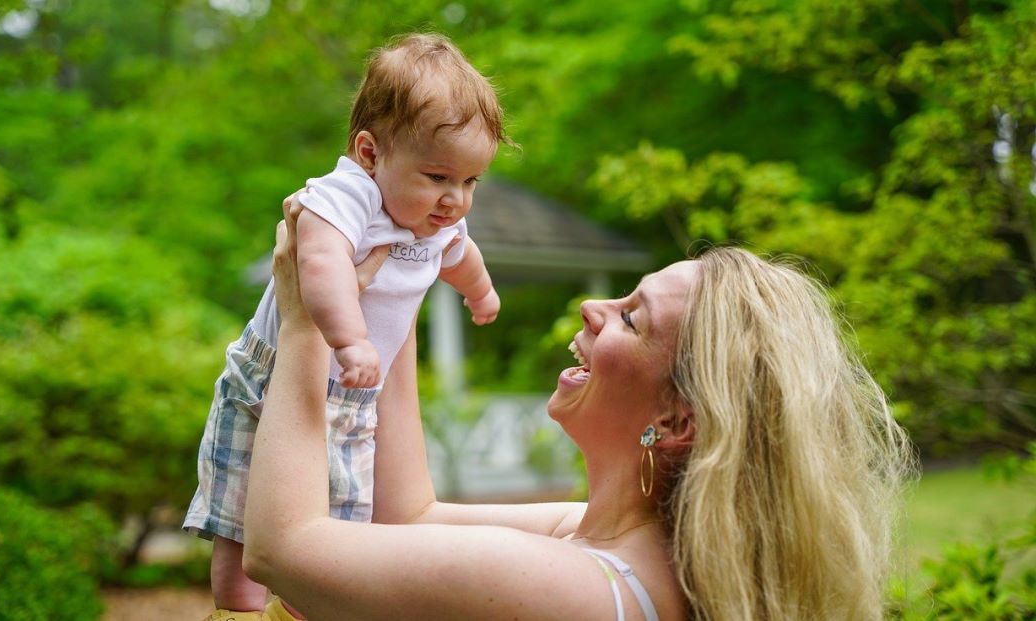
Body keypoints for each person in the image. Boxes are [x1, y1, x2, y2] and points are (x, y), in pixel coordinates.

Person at [241, 198, 915, 620]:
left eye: (632, 318)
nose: (595, 309)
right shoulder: (604, 541)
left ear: (680, 421)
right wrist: (402, 275)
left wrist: (305, 319)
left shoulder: (575, 587)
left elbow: (281, 547)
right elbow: (408, 513)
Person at [183, 33, 509, 619]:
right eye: (438, 177)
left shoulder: (438, 224)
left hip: (353, 396)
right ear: (369, 152)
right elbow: (320, 264)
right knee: (242, 519)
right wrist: (350, 338)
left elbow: (464, 257)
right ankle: (234, 612)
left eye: (469, 182)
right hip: (276, 379)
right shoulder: (349, 195)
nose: (455, 200)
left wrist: (481, 295)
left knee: (333, 535)